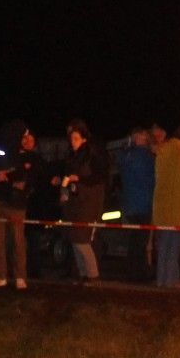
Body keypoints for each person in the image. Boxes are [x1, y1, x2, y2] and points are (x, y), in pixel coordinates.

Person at [0, 123, 41, 291]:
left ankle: (20, 276)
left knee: (18, 241)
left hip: (17, 203)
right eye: (23, 136)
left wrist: (9, 174)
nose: (25, 140)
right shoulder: (3, 152)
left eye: (28, 137)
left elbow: (26, 175)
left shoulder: (30, 157)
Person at [55, 120, 108, 283]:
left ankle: (93, 274)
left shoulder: (93, 154)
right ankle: (83, 273)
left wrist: (80, 179)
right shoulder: (71, 157)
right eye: (71, 138)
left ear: (84, 138)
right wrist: (62, 183)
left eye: (76, 138)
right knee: (74, 238)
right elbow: (66, 176)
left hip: (89, 202)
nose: (73, 142)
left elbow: (99, 177)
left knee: (82, 239)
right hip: (74, 202)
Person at [152, 125, 180, 288]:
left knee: (163, 244)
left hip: (162, 203)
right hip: (178, 204)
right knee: (174, 245)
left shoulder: (163, 150)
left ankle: (161, 279)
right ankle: (172, 280)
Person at [120, 127, 157, 281]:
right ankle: (139, 273)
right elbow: (151, 180)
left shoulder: (126, 156)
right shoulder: (147, 157)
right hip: (144, 203)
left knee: (134, 239)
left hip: (130, 203)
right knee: (140, 241)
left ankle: (132, 271)